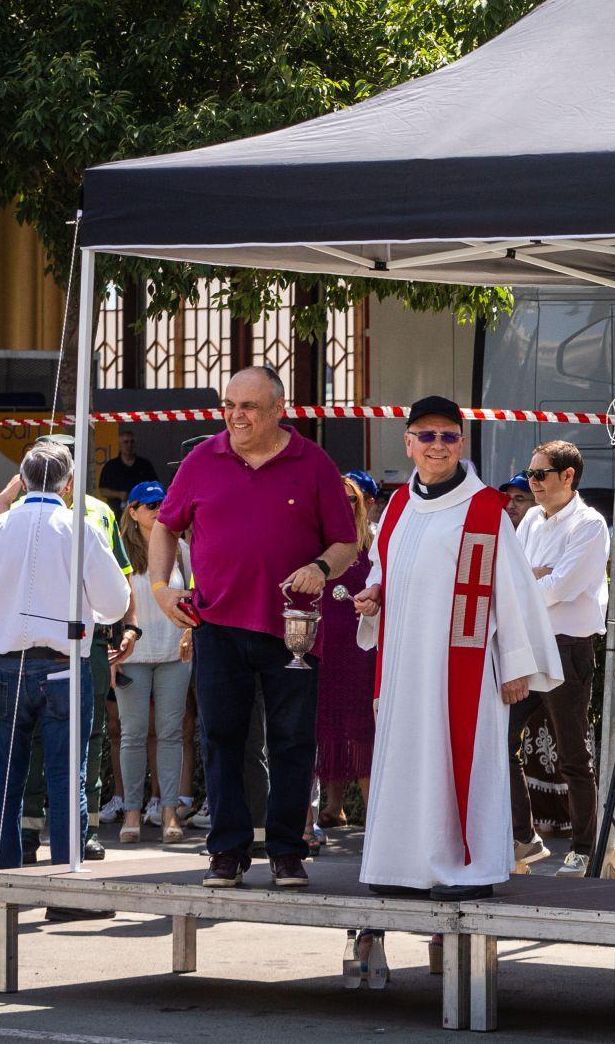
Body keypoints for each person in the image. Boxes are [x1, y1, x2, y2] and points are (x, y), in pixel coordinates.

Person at [152, 366, 360, 891]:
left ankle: (289, 851)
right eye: (229, 406)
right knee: (222, 738)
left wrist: (321, 567)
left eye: (248, 407)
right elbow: (164, 525)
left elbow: (346, 541)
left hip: (295, 628)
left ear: (278, 410)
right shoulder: (203, 459)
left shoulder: (313, 462)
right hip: (217, 624)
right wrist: (160, 587)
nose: (235, 416)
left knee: (292, 742)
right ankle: (226, 851)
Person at [350, 396, 562, 900]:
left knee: (462, 762)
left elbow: (511, 590)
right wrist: (376, 594)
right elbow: (387, 568)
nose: (437, 446)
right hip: (405, 664)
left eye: (448, 436)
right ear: (408, 443)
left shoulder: (485, 509)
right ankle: (401, 866)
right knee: (407, 760)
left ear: (461, 443)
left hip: (464, 666)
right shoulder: (398, 504)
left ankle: (470, 870)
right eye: (426, 436)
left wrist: (515, 664)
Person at [0, 441, 130, 921]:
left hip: (3, 664)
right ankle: (68, 892)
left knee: (3, 778)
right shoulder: (80, 528)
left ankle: (1, 889)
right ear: (68, 485)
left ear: (21, 481)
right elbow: (114, 602)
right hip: (62, 666)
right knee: (68, 778)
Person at [506, 441, 607, 876]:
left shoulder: (590, 524)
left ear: (568, 477)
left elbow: (558, 587)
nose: (533, 483)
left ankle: (585, 849)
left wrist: (533, 580)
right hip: (529, 645)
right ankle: (524, 838)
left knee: (573, 757)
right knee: (497, 741)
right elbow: (514, 581)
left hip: (568, 648)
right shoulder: (530, 518)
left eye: (540, 475)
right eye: (530, 475)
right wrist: (536, 577)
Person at [112, 482, 193, 844]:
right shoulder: (121, 551)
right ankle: (131, 811)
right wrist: (111, 649)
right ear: (132, 511)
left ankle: (168, 812)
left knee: (171, 734)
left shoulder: (181, 549)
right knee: (132, 735)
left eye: (164, 502)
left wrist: (190, 633)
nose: (160, 508)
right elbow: (110, 605)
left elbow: (195, 595)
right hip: (133, 655)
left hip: (175, 654)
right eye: (150, 504)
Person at [316, 476, 377, 830]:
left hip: (361, 647)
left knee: (360, 729)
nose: (345, 505)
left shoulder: (375, 542)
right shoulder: (317, 541)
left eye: (352, 499)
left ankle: (376, 819)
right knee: (326, 727)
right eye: (337, 499)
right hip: (324, 644)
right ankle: (331, 807)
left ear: (364, 503)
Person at [98, 428, 159, 503]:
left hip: (141, 508)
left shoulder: (145, 465)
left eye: (132, 442)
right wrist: (119, 494)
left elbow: (156, 486)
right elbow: (102, 490)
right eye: (126, 442)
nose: (129, 445)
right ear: (120, 445)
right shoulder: (110, 466)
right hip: (117, 511)